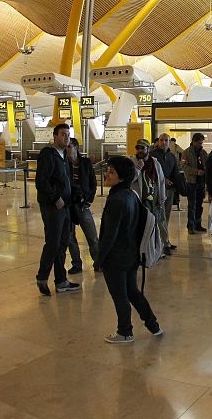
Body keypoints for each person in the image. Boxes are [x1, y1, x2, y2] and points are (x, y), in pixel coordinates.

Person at [95, 155, 162, 344]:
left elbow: (110, 234)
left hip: (116, 258)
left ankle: (125, 332)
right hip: (131, 254)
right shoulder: (131, 195)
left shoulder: (117, 199)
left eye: (111, 172)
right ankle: (153, 324)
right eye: (107, 171)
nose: (107, 175)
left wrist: (99, 259)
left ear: (122, 177)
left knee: (120, 296)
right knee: (132, 291)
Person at [34, 123, 81, 296]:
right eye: (63, 134)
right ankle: (42, 277)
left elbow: (67, 180)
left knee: (62, 244)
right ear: (55, 136)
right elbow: (41, 181)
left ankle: (61, 281)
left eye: (68, 134)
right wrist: (55, 198)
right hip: (53, 206)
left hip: (66, 206)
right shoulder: (48, 154)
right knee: (53, 243)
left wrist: (76, 194)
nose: (66, 137)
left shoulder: (64, 156)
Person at [65, 138, 99, 274]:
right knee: (70, 237)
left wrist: (89, 200)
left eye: (69, 147)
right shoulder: (63, 163)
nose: (67, 149)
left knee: (92, 236)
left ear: (76, 147)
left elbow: (93, 183)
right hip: (68, 204)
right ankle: (76, 264)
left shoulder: (85, 163)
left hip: (83, 205)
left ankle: (98, 262)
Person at [131, 139, 167, 253]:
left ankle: (156, 248)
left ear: (148, 149)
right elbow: (129, 179)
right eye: (138, 148)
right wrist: (138, 168)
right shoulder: (133, 162)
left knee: (155, 224)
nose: (140, 151)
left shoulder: (155, 163)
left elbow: (160, 181)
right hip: (140, 200)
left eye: (143, 148)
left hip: (154, 200)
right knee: (140, 226)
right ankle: (141, 249)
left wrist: (162, 197)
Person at [150, 133, 179, 255]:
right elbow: (150, 172)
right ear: (158, 142)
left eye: (166, 140)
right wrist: (162, 179)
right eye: (161, 140)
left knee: (166, 216)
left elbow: (175, 171)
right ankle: (162, 242)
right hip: (157, 190)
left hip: (169, 190)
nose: (163, 142)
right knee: (159, 217)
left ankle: (165, 239)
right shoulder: (152, 156)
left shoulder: (172, 156)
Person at [182, 132, 208, 234]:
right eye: (199, 143)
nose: (200, 145)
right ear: (193, 142)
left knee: (199, 205)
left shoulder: (204, 153)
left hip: (201, 183)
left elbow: (207, 165)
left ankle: (198, 224)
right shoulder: (186, 153)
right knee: (192, 205)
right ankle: (191, 227)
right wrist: (197, 172)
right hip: (191, 183)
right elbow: (184, 167)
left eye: (201, 143)